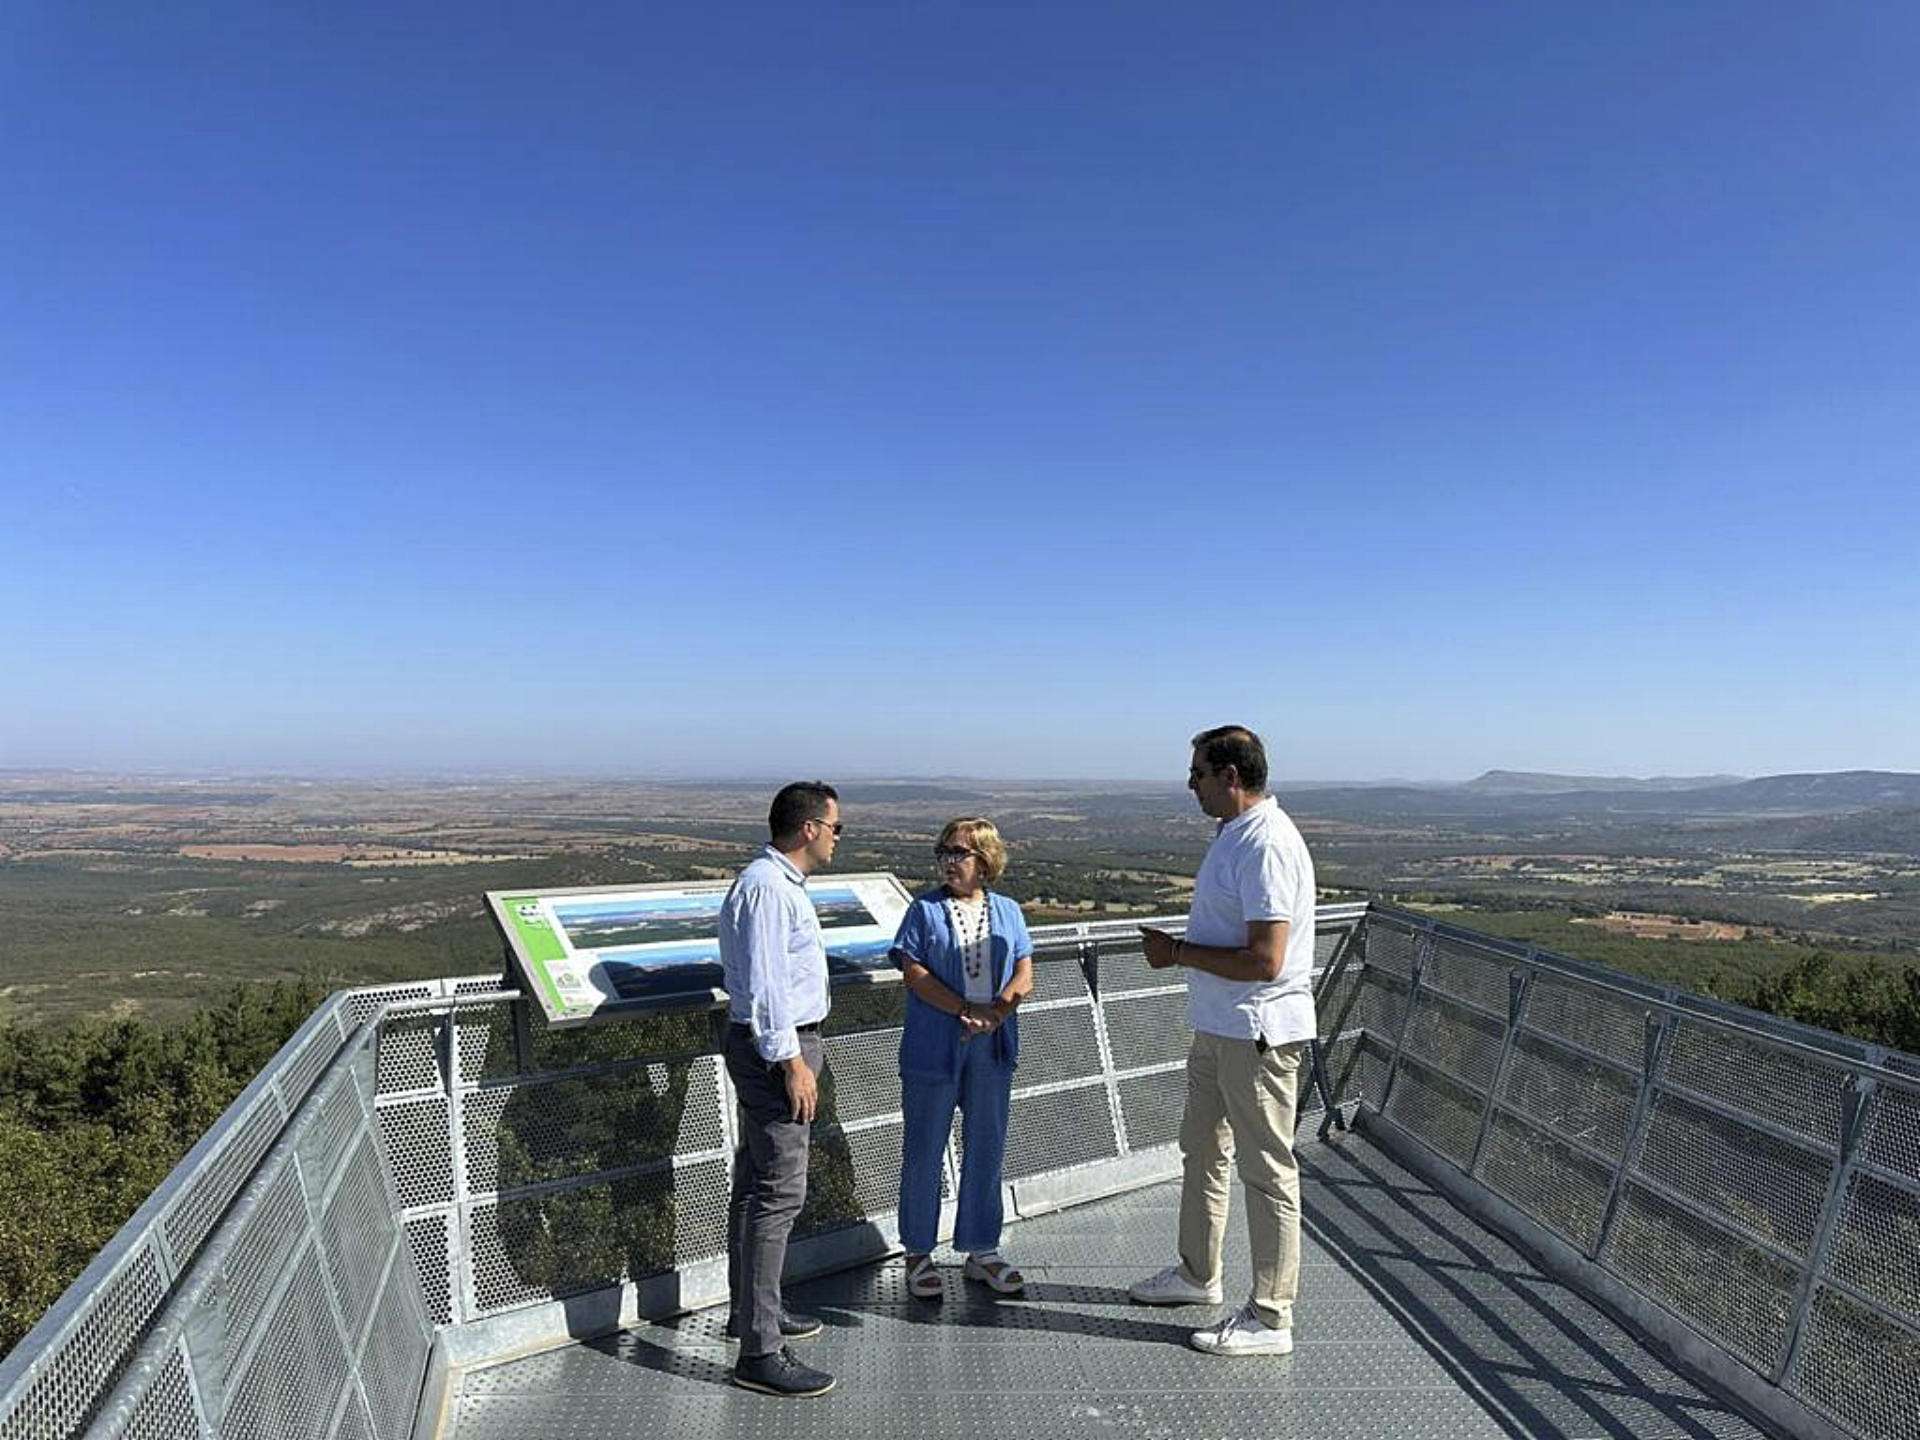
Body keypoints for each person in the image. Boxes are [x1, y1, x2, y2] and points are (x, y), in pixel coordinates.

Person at [1127, 726, 1317, 1357]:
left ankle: (1271, 1316)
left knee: (1266, 1170)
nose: (1191, 786)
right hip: (1222, 1027)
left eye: (1198, 774)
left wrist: (1177, 952)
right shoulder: (1237, 835)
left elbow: (1267, 960)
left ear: (1229, 776)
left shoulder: (1264, 844)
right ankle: (1197, 1274)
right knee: (1202, 1151)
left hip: (1257, 1031)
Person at [716, 781, 842, 1397]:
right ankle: (760, 1352)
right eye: (836, 827)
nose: (839, 838)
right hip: (780, 1050)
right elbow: (767, 988)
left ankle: (751, 1313)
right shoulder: (769, 889)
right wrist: (792, 1062)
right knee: (778, 1195)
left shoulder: (773, 884)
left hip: (775, 1046)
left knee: (754, 1185)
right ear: (810, 829)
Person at [890, 817, 1035, 1301]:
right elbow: (914, 973)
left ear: (985, 860)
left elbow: (1023, 971)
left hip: (991, 1047)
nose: (949, 861)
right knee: (924, 1149)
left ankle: (982, 1249)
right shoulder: (924, 911)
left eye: (960, 852)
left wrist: (995, 1014)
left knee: (987, 1146)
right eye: (944, 851)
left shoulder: (1009, 911)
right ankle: (918, 1251)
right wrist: (966, 1010)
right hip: (935, 1046)